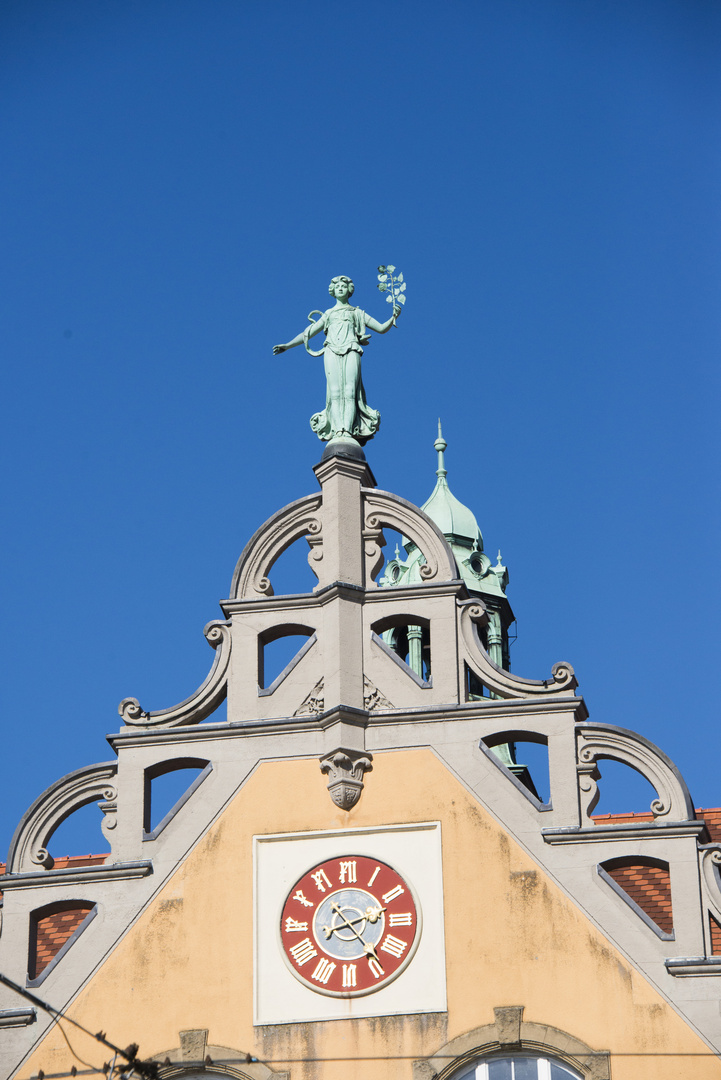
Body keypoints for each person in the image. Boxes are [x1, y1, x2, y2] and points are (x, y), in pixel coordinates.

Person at [273, 275, 401, 444]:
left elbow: (381, 328)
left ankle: (346, 431)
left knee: (350, 391)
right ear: (333, 291)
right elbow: (307, 333)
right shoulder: (329, 314)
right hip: (331, 350)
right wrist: (287, 345)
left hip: (352, 349)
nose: (340, 288)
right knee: (334, 392)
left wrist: (393, 317)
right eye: (337, 286)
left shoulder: (357, 313)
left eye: (344, 285)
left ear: (350, 290)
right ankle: (336, 430)